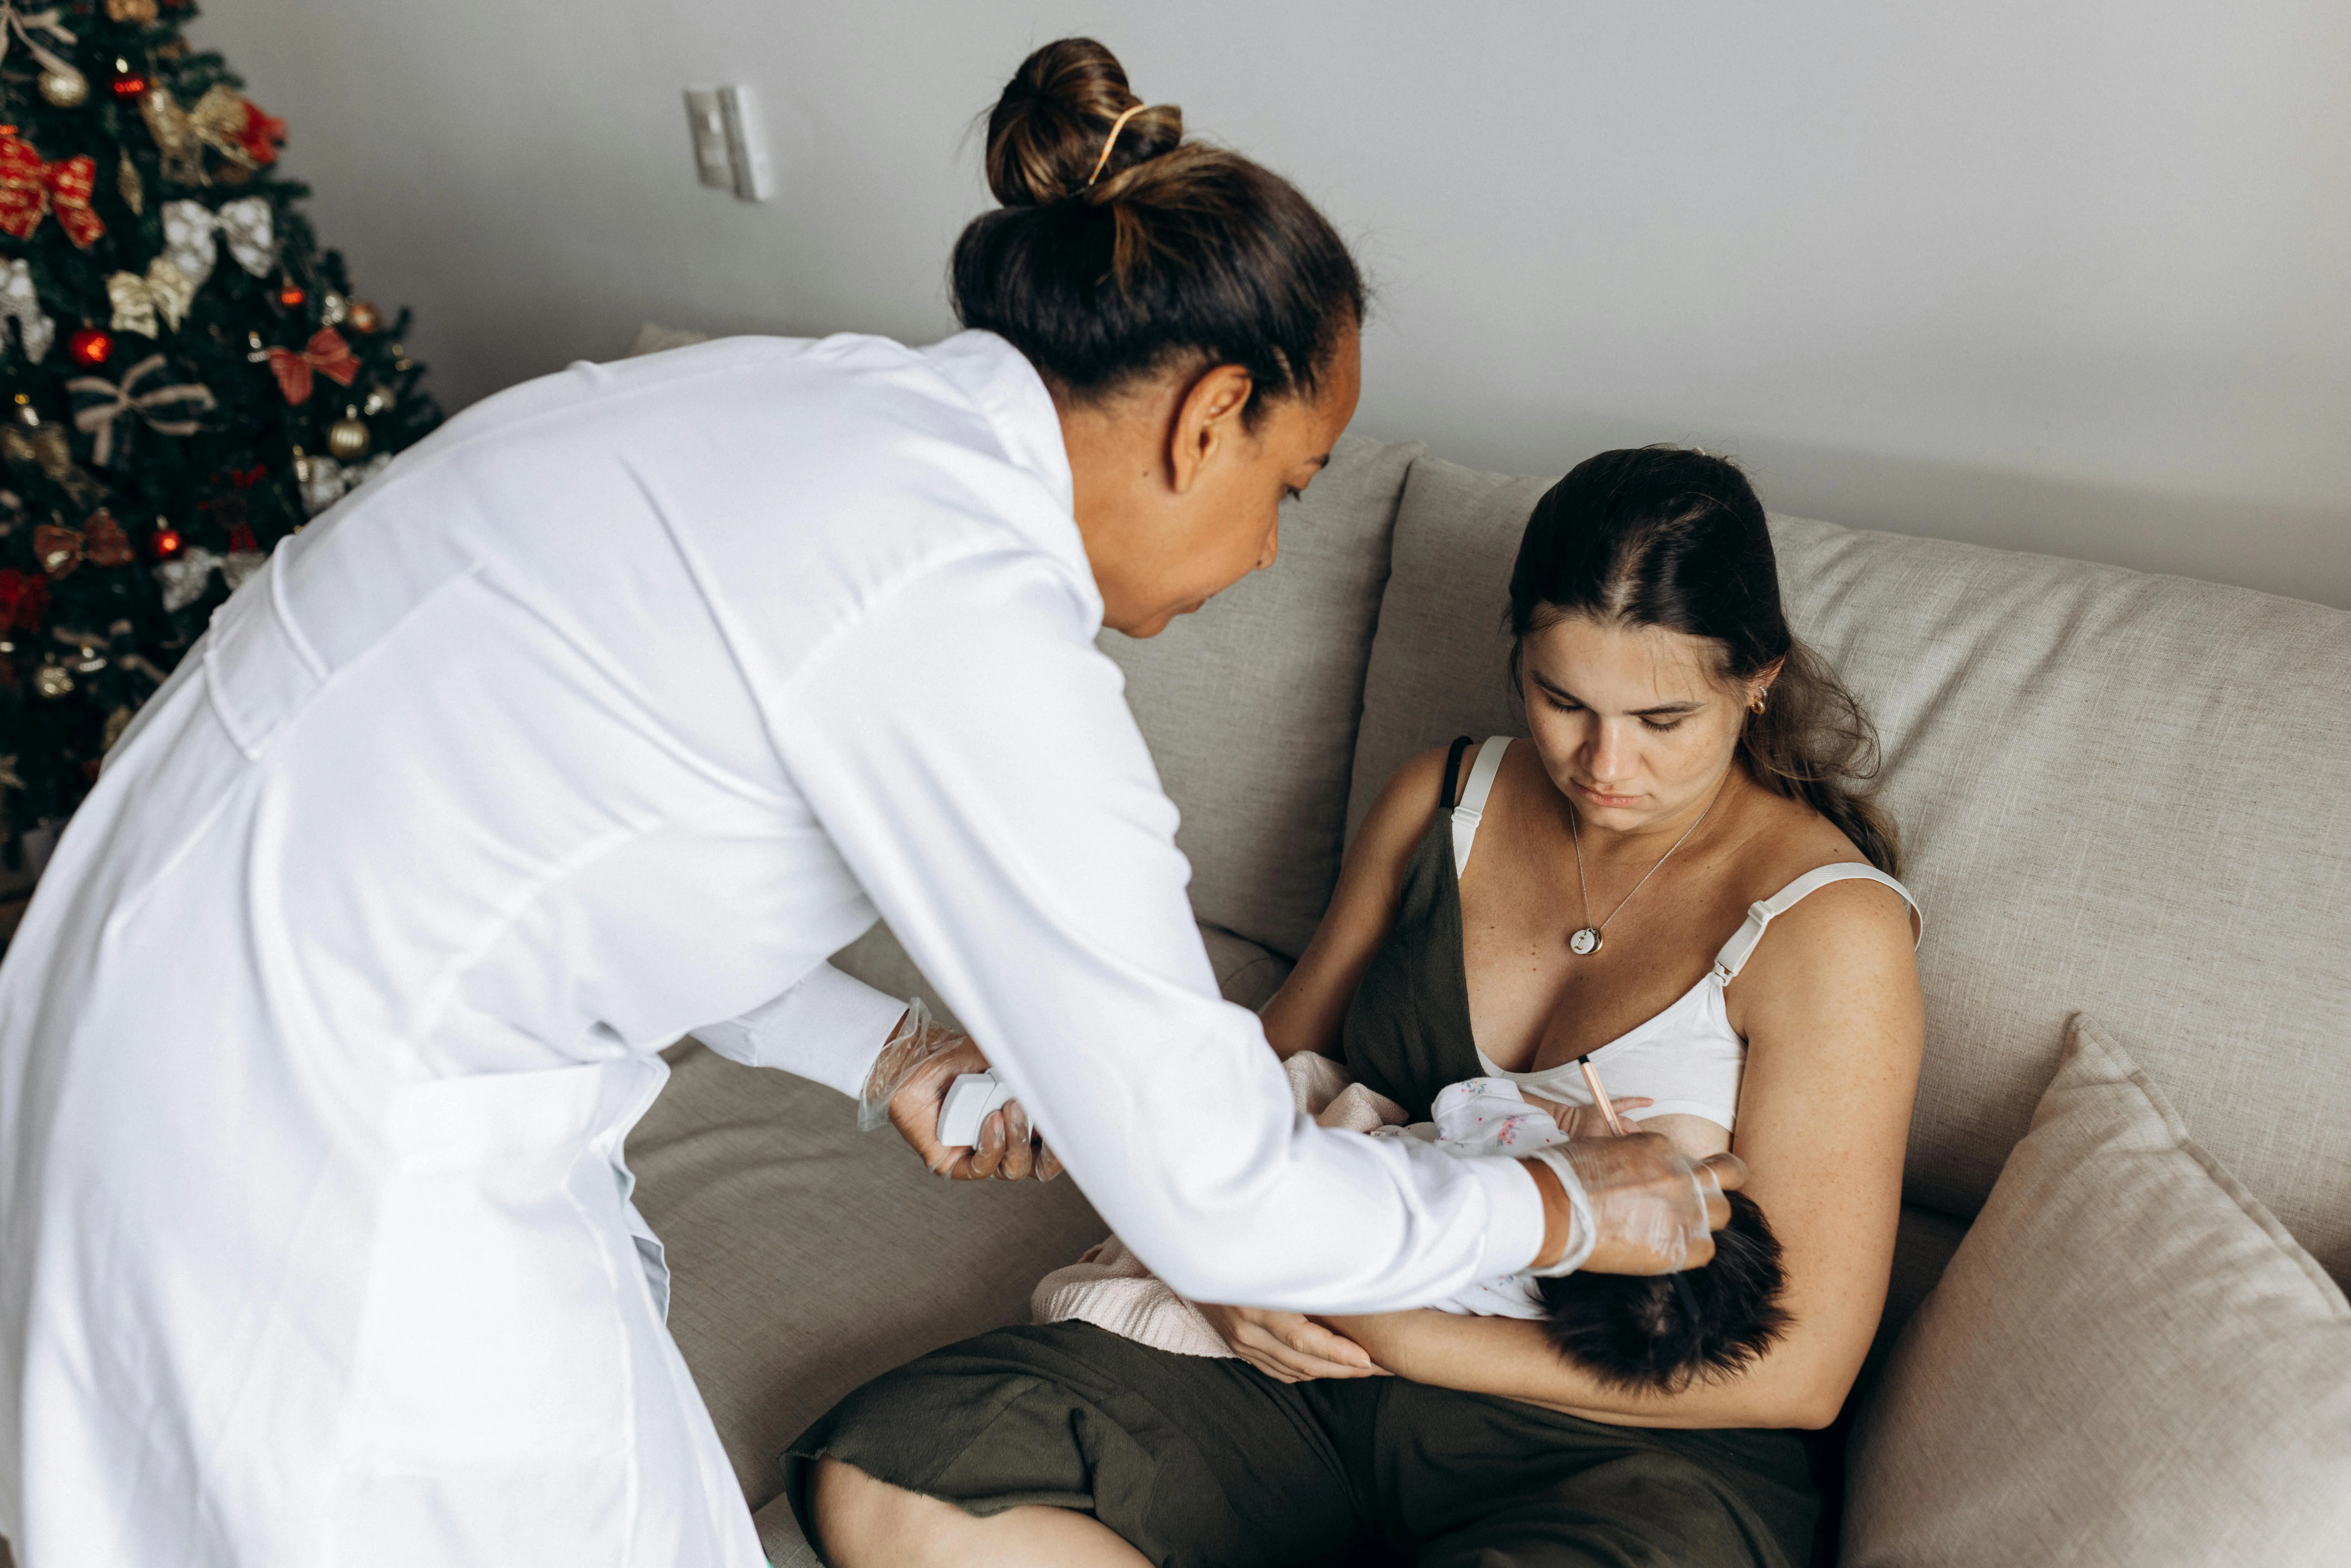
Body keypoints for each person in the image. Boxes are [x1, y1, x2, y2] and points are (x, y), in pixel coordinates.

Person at [0, 40, 1735, 1568]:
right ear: (1211, 418)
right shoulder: (964, 612)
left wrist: (882, 1051)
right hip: (318, 1158)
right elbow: (1220, 1196)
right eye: (1287, 483)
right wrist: (1577, 1206)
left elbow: (579, 836)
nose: (1272, 546)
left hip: (132, 1001)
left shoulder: (802, 410)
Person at [792, 446, 1926, 1568]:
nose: (1601, 763)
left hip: (1608, 1442)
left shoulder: (1826, 930)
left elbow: (1801, 1373)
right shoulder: (1442, 799)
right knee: (891, 1476)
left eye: (1660, 721)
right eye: (1561, 698)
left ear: (1757, 675)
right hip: (1304, 1381)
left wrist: (1392, 1330)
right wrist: (1221, 1265)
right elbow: (1254, 1075)